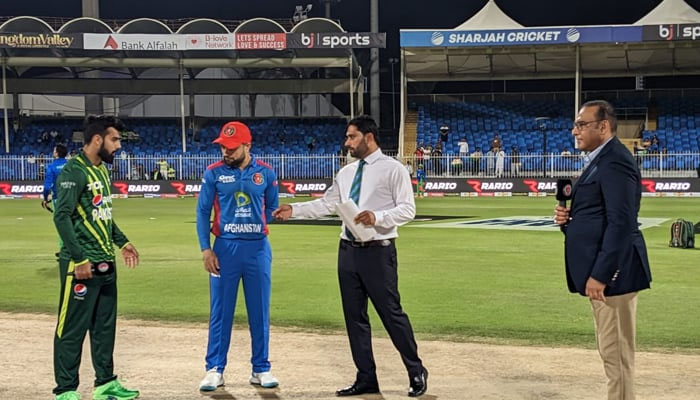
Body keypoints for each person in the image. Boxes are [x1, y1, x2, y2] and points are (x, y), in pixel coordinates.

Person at [272, 116, 428, 398]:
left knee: (391, 315)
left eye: (351, 137)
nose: (347, 142)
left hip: (378, 252)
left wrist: (377, 216)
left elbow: (407, 210)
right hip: (347, 251)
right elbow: (327, 204)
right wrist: (293, 210)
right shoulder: (346, 172)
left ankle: (415, 370)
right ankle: (366, 377)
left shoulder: (393, 169)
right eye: (347, 137)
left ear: (369, 137)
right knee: (354, 319)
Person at [554, 100, 651, 400]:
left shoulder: (615, 160)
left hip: (614, 278)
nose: (575, 130)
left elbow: (621, 224)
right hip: (605, 275)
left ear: (603, 126)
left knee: (617, 354)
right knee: (611, 351)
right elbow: (598, 216)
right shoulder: (601, 159)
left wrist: (601, 274)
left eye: (581, 124)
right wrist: (569, 222)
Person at [51, 115, 140, 400]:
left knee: (104, 328)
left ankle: (104, 383)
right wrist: (78, 258)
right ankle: (65, 390)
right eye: (115, 140)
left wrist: (122, 241)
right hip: (80, 265)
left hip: (105, 262)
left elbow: (103, 217)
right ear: (98, 139)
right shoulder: (73, 172)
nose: (118, 147)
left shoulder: (102, 171)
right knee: (72, 329)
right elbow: (61, 216)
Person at [196, 121, 280, 392]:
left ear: (247, 146)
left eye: (231, 148)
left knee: (260, 310)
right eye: (222, 147)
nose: (225, 152)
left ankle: (261, 368)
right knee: (220, 311)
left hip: (257, 248)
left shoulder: (266, 173)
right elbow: (201, 213)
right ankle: (214, 369)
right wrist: (206, 248)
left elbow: (273, 208)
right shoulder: (214, 173)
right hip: (224, 249)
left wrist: (262, 220)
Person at [42, 144, 69, 254]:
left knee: (61, 224)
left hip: (58, 199)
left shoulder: (51, 167)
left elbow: (47, 187)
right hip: (72, 198)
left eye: (54, 151)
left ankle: (64, 249)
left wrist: (45, 198)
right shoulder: (70, 165)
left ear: (57, 153)